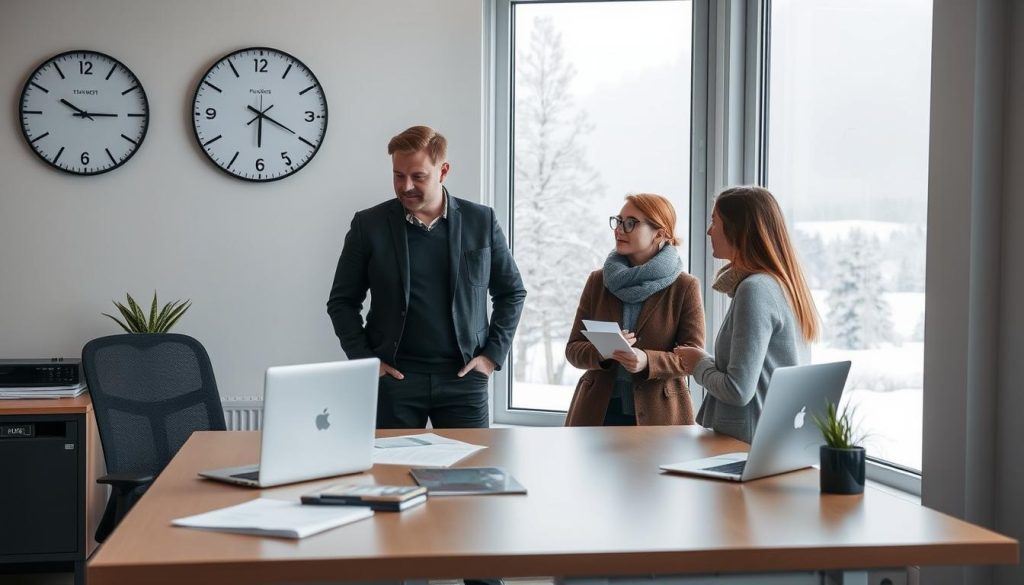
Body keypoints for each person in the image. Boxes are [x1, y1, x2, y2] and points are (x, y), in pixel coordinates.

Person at [327, 125, 527, 429]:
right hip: (393, 381)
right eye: (398, 175)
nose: (406, 186)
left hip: (464, 380)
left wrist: (490, 357)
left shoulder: (481, 221)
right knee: (391, 474)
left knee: (468, 475)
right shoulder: (369, 225)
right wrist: (365, 361)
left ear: (443, 171)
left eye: (418, 176)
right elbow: (342, 301)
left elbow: (511, 292)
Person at [674, 186, 819, 443]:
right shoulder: (781, 284)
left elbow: (738, 390)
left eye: (714, 221)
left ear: (738, 229)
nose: (708, 231)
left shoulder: (755, 289)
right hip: (768, 440)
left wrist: (699, 364)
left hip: (742, 445)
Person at [564, 193, 705, 426]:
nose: (619, 229)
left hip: (660, 415)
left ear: (660, 233)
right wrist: (603, 352)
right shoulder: (598, 281)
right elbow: (573, 350)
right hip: (597, 412)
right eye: (618, 221)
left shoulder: (685, 287)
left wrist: (647, 360)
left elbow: (692, 358)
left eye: (630, 223)